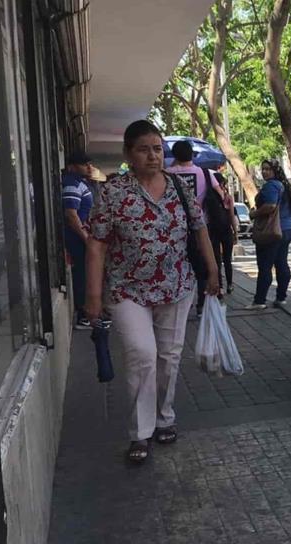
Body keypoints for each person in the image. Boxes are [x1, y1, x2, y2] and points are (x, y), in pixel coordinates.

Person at [85, 120, 220, 464]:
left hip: (176, 286)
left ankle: (165, 418)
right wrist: (94, 296)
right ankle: (139, 433)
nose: (152, 155)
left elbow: (200, 230)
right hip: (128, 289)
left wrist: (214, 272)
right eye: (143, 149)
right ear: (128, 154)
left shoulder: (178, 186)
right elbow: (97, 245)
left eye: (157, 148)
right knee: (143, 355)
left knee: (169, 357)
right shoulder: (113, 192)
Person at [167, 141, 225, 317]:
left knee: (175, 266)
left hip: (173, 230)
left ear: (174, 155)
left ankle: (176, 304)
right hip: (201, 227)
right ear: (192, 154)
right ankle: (202, 303)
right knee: (204, 266)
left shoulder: (166, 174)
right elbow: (221, 196)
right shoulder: (206, 173)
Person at [247, 160, 291, 309]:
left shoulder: (271, 186)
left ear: (276, 170)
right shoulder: (286, 186)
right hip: (287, 229)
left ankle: (259, 300)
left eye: (268, 169)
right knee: (281, 263)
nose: (264, 172)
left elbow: (270, 206)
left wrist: (254, 213)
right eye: (263, 169)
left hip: (272, 231)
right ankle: (281, 297)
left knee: (265, 265)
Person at [61, 151, 95, 329]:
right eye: (84, 164)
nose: (89, 167)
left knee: (87, 273)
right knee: (82, 275)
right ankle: (83, 316)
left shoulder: (79, 183)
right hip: (77, 239)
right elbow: (71, 215)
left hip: (82, 237)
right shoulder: (71, 184)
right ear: (72, 166)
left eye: (89, 164)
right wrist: (86, 238)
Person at [203, 172, 238, 295]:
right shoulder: (227, 197)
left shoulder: (208, 197)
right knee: (227, 260)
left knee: (216, 259)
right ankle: (229, 284)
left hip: (212, 230)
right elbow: (231, 215)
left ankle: (220, 286)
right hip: (226, 230)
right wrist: (235, 232)